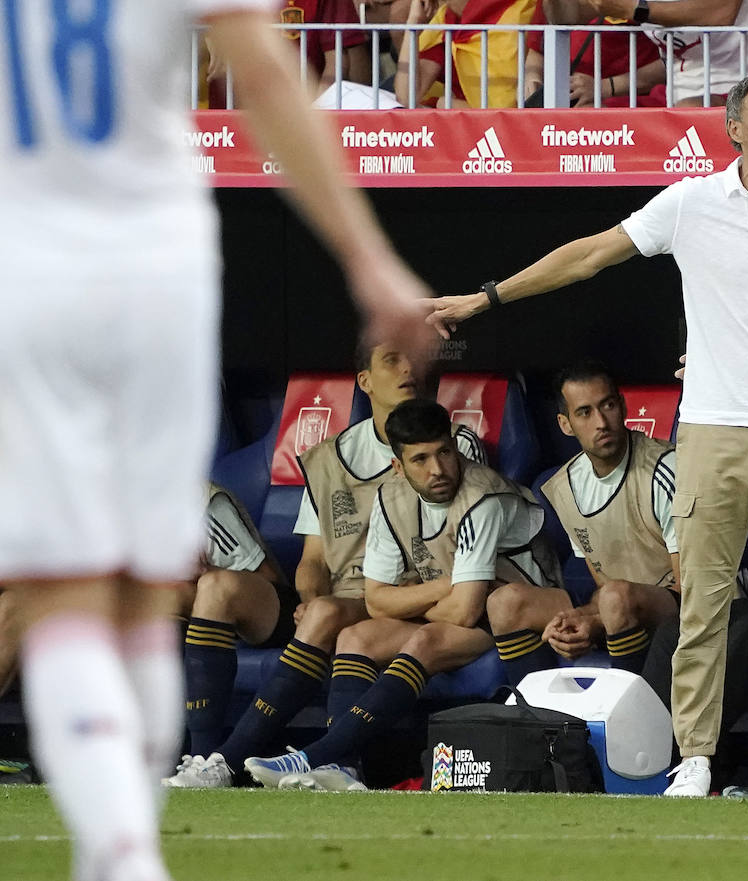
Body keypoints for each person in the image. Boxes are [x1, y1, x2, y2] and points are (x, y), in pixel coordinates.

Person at [0, 3, 432, 878]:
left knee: (61, 589)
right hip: (153, 265)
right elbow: (266, 78)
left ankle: (115, 846)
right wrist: (367, 254)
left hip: (32, 267)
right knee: (145, 579)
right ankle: (126, 845)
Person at [427, 71, 748, 799]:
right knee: (702, 599)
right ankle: (693, 755)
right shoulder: (692, 201)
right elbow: (589, 254)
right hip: (713, 428)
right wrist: (484, 298)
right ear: (735, 127)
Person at [162, 342, 483, 788]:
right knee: (326, 610)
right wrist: (311, 597)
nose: (407, 368)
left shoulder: (451, 444)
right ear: (364, 381)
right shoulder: (329, 457)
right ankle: (222, 759)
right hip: (357, 595)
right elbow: (313, 559)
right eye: (392, 360)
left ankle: (229, 761)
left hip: (428, 592)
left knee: (332, 615)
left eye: (413, 359)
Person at [245, 400, 558, 789]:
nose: (438, 469)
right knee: (355, 636)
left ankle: (313, 756)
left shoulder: (483, 498)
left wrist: (417, 598)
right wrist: (444, 588)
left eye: (444, 452)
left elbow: (465, 611)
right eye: (421, 459)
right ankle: (344, 767)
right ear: (398, 466)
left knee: (424, 638)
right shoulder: (390, 496)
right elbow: (376, 601)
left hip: (514, 607)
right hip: (456, 601)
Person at [512, 362, 680, 682]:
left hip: (684, 613)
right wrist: (575, 621)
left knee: (615, 598)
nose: (601, 422)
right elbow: (604, 587)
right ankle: (536, 721)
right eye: (585, 412)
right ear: (565, 424)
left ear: (623, 406)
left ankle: (634, 719)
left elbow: (694, 591)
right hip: (622, 611)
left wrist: (598, 621)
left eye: (608, 405)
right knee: (507, 604)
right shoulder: (565, 487)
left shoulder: (665, 469)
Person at [177, 484, 295, 764]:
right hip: (201, 616)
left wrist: (206, 571)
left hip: (268, 610)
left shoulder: (201, 501)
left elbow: (267, 577)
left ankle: (203, 757)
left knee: (216, 585)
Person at [586, 0, 748, 106]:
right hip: (676, 92)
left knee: (688, 110)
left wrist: (638, 9)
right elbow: (569, 15)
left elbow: (722, 13)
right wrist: (607, 87)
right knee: (589, 119)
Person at [393, 0, 538, 107]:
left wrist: (445, 104)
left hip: (513, 131)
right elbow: (406, 97)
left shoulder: (520, 9)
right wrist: (412, 24)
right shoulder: (446, 19)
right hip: (470, 130)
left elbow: (505, 108)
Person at [524, 0, 667, 107]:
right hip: (565, 97)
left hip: (630, 102)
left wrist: (604, 87)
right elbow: (538, 49)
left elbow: (677, 58)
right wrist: (533, 77)